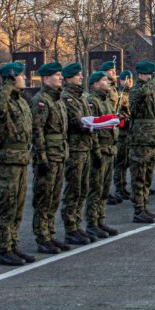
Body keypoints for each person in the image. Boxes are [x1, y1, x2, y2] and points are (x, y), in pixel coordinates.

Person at [0, 62, 36, 266]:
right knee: (7, 205)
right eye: (19, 76)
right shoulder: (3, 100)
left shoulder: (21, 102)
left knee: (18, 206)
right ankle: (4, 248)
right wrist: (7, 83)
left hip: (21, 158)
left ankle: (13, 244)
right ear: (10, 78)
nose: (24, 79)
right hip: (7, 160)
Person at [30, 62, 70, 254]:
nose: (60, 78)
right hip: (48, 156)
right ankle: (42, 237)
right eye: (56, 75)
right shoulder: (41, 100)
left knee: (54, 197)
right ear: (46, 78)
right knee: (43, 198)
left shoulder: (58, 99)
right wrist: (41, 159)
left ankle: (51, 235)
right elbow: (37, 131)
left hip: (59, 153)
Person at [60, 63, 97, 246]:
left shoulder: (81, 97)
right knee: (73, 190)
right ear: (68, 78)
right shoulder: (66, 97)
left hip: (85, 146)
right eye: (77, 76)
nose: (81, 78)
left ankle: (77, 225)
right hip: (74, 149)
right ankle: (70, 228)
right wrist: (90, 122)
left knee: (82, 188)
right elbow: (76, 121)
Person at [86, 71, 119, 237]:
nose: (108, 83)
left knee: (105, 188)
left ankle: (100, 220)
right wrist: (96, 151)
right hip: (100, 149)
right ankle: (92, 222)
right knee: (96, 188)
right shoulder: (92, 101)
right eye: (105, 80)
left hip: (110, 148)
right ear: (95, 84)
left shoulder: (106, 100)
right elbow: (93, 128)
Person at [129, 61, 155, 223]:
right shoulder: (137, 90)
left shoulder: (149, 91)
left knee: (148, 176)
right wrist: (153, 81)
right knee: (139, 176)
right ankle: (138, 210)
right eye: (149, 74)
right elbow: (145, 91)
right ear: (141, 75)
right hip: (140, 140)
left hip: (151, 139)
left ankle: (145, 207)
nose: (151, 78)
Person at [113, 70, 133, 202]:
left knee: (126, 161)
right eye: (127, 80)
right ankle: (119, 187)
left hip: (129, 133)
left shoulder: (130, 94)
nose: (129, 82)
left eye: (131, 80)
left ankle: (124, 186)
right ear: (121, 81)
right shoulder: (119, 95)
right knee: (120, 162)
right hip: (121, 133)